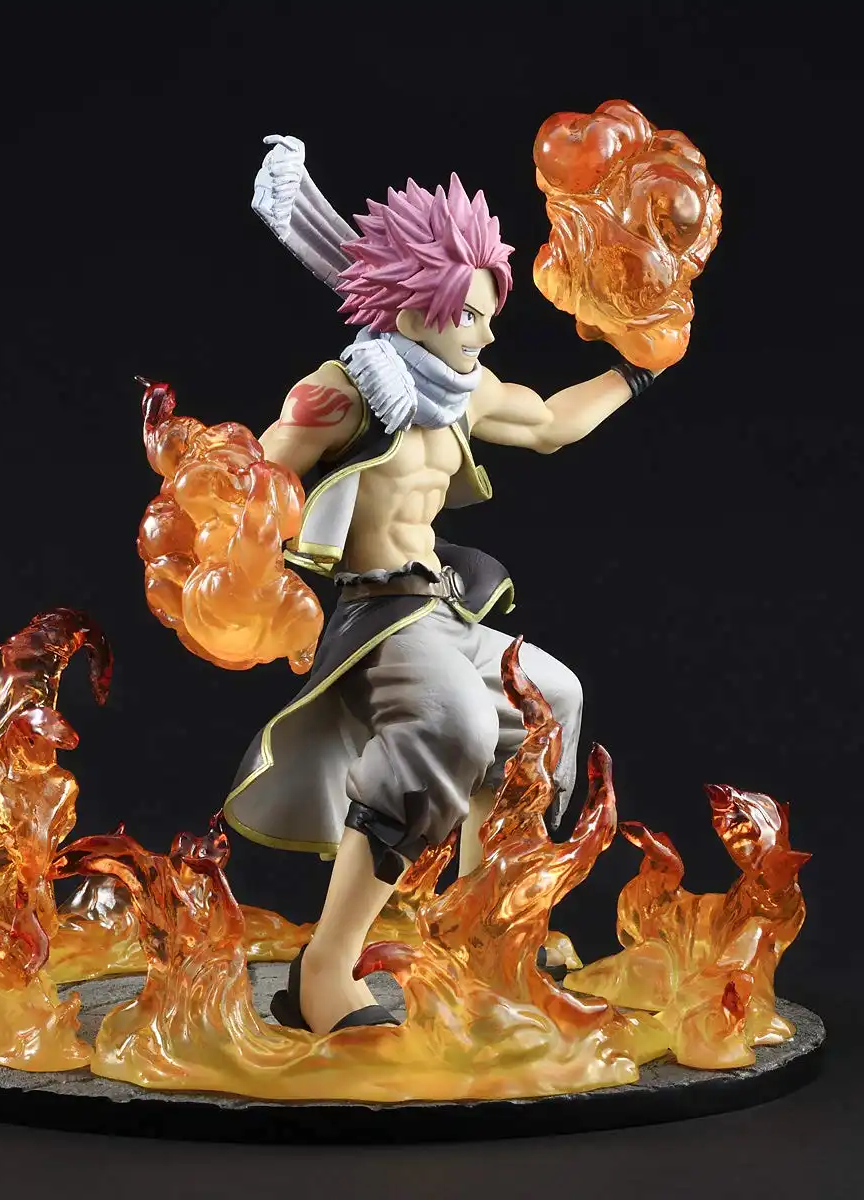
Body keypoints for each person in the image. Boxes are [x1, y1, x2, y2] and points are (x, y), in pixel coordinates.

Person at [223, 139, 659, 1035]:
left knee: (551, 700)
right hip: (377, 617)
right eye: (469, 315)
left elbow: (548, 423)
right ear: (413, 306)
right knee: (452, 723)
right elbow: (254, 487)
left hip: (441, 603)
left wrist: (636, 369)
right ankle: (324, 970)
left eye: (488, 316)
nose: (484, 335)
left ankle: (483, 927)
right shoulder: (341, 392)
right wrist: (241, 574)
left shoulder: (461, 387)